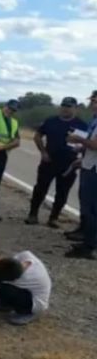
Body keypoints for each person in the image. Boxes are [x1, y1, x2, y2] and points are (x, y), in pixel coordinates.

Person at [25, 97, 89, 228]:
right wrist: (43, 152)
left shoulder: (81, 125)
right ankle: (32, 214)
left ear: (75, 108)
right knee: (40, 189)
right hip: (49, 161)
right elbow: (37, 136)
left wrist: (82, 159)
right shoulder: (51, 121)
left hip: (69, 164)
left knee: (63, 192)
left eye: (69, 106)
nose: (65, 108)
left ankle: (53, 218)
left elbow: (86, 145)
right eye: (64, 105)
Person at [0, 251, 51, 326]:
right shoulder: (27, 255)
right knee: (3, 276)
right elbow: (7, 261)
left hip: (36, 304)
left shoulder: (22, 279)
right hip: (30, 291)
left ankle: (26, 313)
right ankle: (5, 302)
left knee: (6, 289)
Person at [64, 91, 97, 259]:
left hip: (94, 171)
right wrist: (82, 155)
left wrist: (79, 139)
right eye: (92, 100)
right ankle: (88, 241)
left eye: (94, 101)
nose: (92, 104)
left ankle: (89, 246)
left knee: (90, 209)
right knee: (88, 208)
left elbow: (95, 145)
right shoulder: (94, 120)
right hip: (89, 165)